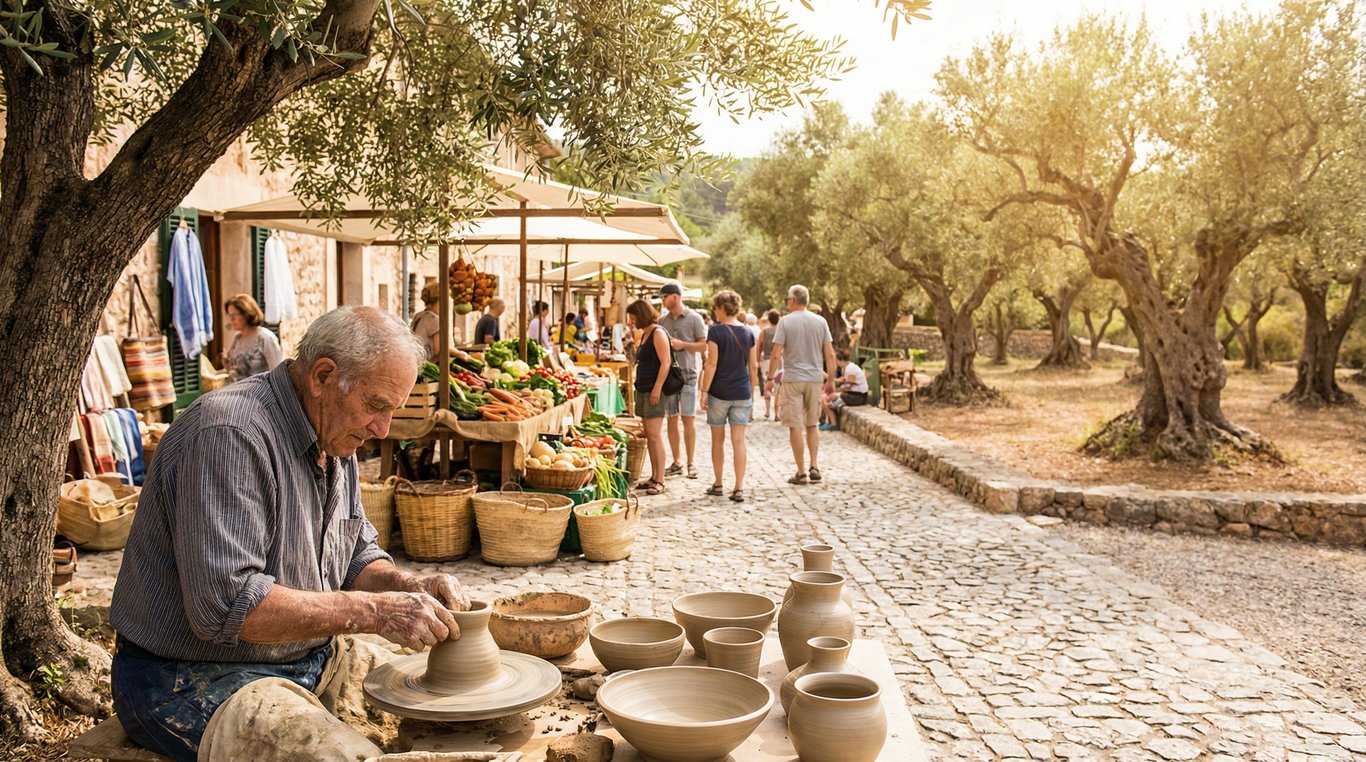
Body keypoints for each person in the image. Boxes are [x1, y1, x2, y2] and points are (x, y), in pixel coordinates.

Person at [109, 306, 473, 761]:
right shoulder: (229, 433)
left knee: (456, 711)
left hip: (307, 659)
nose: (383, 429)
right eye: (377, 406)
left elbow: (356, 554)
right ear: (323, 376)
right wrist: (377, 612)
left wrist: (407, 586)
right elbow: (226, 606)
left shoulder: (337, 435)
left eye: (391, 410)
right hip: (187, 676)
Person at [766, 285, 837, 485]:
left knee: (795, 425)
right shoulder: (820, 321)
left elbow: (776, 353)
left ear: (792, 300)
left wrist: (770, 379)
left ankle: (801, 472)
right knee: (812, 424)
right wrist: (830, 380)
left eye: (788, 299)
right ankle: (814, 465)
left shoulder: (785, 322)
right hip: (814, 379)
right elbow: (830, 354)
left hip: (793, 379)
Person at [699, 290, 758, 502]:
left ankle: (718, 483)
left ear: (723, 308)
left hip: (719, 392)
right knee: (739, 440)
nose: (714, 311)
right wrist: (753, 393)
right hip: (742, 392)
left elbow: (711, 363)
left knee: (718, 439)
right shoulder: (749, 333)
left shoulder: (715, 331)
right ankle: (739, 487)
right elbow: (753, 366)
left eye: (715, 307)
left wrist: (704, 390)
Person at [656, 282, 707, 480]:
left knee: (688, 419)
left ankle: (691, 462)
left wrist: (683, 345)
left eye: (664, 297)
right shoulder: (662, 321)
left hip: (688, 375)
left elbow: (703, 346)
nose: (662, 301)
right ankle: (676, 462)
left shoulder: (695, 319)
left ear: (675, 297)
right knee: (671, 419)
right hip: (669, 377)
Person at [627, 299, 674, 495]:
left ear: (641, 314)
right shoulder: (645, 333)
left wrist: (657, 388)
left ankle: (660, 480)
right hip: (644, 389)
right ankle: (654, 476)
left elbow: (666, 362)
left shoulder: (658, 332)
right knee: (649, 436)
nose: (631, 321)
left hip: (654, 391)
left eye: (633, 317)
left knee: (655, 436)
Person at [222, 294, 283, 383]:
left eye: (234, 315)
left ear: (247, 313)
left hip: (258, 394)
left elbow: (277, 374)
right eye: (229, 315)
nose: (231, 320)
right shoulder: (237, 338)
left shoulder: (266, 338)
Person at [821, 349, 869, 431]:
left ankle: (833, 423)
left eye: (837, 361)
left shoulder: (850, 369)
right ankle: (830, 421)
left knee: (830, 398)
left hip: (859, 397)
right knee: (831, 398)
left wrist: (839, 388)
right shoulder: (849, 367)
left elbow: (848, 386)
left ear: (841, 360)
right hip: (855, 394)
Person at [757, 309, 781, 420]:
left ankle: (767, 410)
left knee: (767, 384)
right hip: (780, 360)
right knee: (778, 386)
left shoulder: (764, 332)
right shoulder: (781, 331)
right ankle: (777, 412)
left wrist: (758, 360)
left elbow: (759, 347)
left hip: (766, 360)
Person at [409, 279, 441, 358]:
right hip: (428, 364)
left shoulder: (418, 316)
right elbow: (440, 350)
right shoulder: (434, 319)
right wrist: (460, 354)